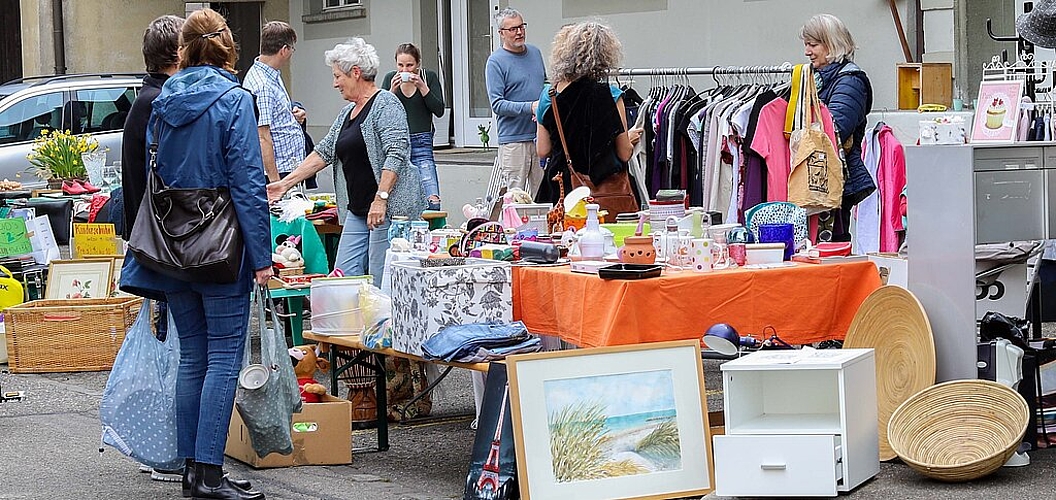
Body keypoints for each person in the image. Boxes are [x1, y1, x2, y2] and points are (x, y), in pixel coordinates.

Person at [119, 8, 271, 500]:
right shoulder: (234, 99)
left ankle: (193, 471)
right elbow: (249, 184)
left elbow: (150, 176)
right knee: (225, 355)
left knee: (195, 357)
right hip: (221, 247)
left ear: (183, 48)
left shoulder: (161, 101)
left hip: (169, 244)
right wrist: (263, 255)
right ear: (225, 45)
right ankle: (207, 474)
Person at [267, 37, 424, 287]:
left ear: (356, 73)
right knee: (344, 277)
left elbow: (397, 153)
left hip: (387, 211)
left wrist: (380, 199)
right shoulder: (345, 113)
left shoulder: (386, 104)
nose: (334, 83)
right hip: (357, 209)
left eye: (337, 76)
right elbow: (323, 152)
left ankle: (384, 327)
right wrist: (284, 185)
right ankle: (354, 326)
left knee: (381, 282)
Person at [118, 14, 188, 484]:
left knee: (170, 346)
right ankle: (168, 447)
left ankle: (167, 444)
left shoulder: (145, 100)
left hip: (152, 239)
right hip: (163, 242)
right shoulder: (158, 102)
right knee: (174, 351)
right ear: (176, 55)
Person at [534, 21, 636, 205]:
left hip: (561, 190)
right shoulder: (611, 95)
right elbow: (624, 153)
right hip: (604, 191)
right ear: (605, 55)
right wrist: (630, 138)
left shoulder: (549, 96)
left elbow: (542, 150)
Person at [801, 13, 875, 242]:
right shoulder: (815, 79)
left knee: (830, 244)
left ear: (832, 44)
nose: (807, 51)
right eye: (806, 44)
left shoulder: (849, 81)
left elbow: (834, 130)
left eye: (813, 45)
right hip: (820, 178)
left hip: (834, 180)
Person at [484, 7, 546, 199]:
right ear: (501, 33)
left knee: (544, 195)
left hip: (540, 137)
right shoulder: (495, 62)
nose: (519, 32)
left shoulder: (535, 53)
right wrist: (530, 107)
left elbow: (545, 84)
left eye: (521, 27)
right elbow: (498, 105)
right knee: (515, 199)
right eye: (512, 29)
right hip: (513, 140)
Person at [382, 43, 445, 210]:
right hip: (398, 144)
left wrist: (422, 87)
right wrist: (391, 92)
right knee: (398, 198)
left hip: (422, 142)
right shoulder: (390, 78)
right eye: (400, 65)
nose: (405, 70)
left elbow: (439, 110)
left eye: (409, 65)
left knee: (432, 200)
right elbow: (380, 113)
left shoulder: (428, 77)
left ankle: (432, 232)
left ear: (418, 64)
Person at [243, 20, 305, 183]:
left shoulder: (270, 74)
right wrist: (276, 182)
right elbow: (262, 136)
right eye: (292, 49)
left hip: (288, 167)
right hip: (279, 171)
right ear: (284, 50)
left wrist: (293, 114)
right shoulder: (262, 85)